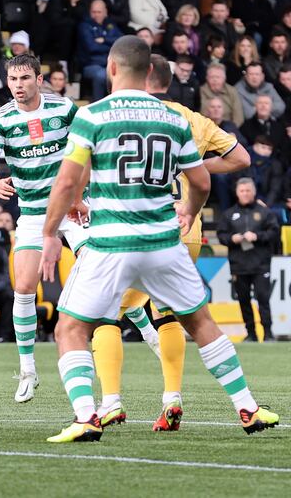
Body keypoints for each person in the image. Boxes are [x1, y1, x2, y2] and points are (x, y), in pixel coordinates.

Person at [39, 35, 278, 442]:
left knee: (71, 328)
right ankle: (249, 409)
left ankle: (88, 415)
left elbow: (66, 181)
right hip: (164, 242)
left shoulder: (92, 115)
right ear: (149, 71)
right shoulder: (175, 116)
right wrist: (189, 208)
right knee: (200, 322)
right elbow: (200, 180)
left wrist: (51, 230)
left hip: (112, 241)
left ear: (112, 69)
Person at [89, 54, 250, 430]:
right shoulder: (191, 118)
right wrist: (195, 166)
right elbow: (241, 158)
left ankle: (110, 400)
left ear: (141, 77)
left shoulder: (124, 113)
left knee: (106, 313)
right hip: (186, 228)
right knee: (167, 313)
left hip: (140, 225)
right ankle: (172, 398)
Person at [0, 52, 87, 402]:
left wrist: (81, 194)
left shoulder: (63, 108)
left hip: (71, 210)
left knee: (102, 268)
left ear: (39, 80)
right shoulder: (2, 118)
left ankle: (146, 333)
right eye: (12, 80)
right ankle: (28, 370)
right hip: (33, 216)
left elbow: (88, 152)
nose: (18, 86)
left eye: (24, 79)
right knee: (23, 288)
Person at [217, 178, 278, 342]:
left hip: (260, 264)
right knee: (243, 300)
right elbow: (221, 235)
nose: (245, 194)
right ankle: (250, 333)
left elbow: (274, 232)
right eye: (242, 191)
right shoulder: (228, 214)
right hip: (239, 264)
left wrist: (257, 236)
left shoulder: (265, 213)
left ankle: (268, 333)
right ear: (237, 193)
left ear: (254, 192)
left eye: (248, 190)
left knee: (263, 299)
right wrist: (232, 238)